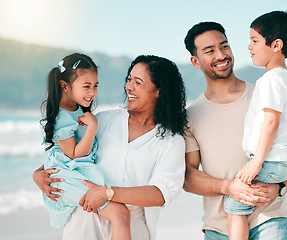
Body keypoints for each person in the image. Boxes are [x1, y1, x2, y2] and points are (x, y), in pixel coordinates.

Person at [33, 55, 188, 240]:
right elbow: (69, 154)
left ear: (159, 91)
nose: (129, 86)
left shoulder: (171, 141)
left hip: (132, 226)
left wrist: (107, 193)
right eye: (129, 79)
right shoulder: (103, 120)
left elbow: (161, 193)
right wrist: (38, 174)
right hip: (85, 219)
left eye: (137, 82)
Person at [183, 21, 287, 240]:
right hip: (217, 228)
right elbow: (187, 178)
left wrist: (281, 187)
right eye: (210, 51)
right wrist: (229, 187)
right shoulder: (190, 116)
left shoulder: (264, 94)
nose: (221, 55)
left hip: (271, 219)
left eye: (224, 46)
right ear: (195, 61)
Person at [223, 11, 287, 240]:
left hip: (273, 160)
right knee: (285, 190)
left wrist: (255, 164)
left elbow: (271, 121)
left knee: (234, 203)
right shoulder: (285, 77)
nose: (249, 46)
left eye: (255, 41)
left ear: (276, 45)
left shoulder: (269, 80)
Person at [39, 53, 131, 240]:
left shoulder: (77, 109)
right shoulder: (61, 118)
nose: (92, 92)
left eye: (95, 86)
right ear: (65, 86)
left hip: (77, 171)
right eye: (86, 86)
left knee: (120, 212)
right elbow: (75, 154)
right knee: (120, 213)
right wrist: (93, 126)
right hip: (66, 176)